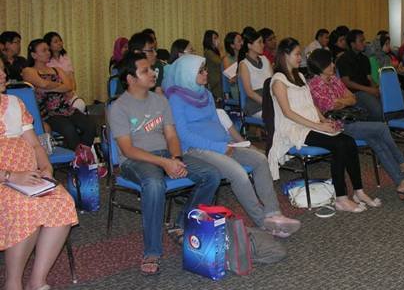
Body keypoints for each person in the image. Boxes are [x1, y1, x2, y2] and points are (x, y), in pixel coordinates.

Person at [108, 51, 221, 275]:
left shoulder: (160, 101)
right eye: (146, 71)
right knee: (154, 184)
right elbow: (128, 150)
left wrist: (176, 159)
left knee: (211, 175)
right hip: (135, 160)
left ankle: (182, 222)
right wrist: (164, 163)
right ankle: (152, 251)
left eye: (151, 69)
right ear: (130, 79)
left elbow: (171, 136)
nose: (153, 73)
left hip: (164, 155)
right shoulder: (119, 107)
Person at [164, 54, 301, 236]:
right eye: (201, 71)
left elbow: (215, 122)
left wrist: (230, 142)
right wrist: (220, 147)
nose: (206, 73)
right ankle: (263, 221)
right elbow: (184, 135)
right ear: (187, 74)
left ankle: (273, 213)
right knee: (238, 173)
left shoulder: (205, 94)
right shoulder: (176, 98)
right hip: (195, 150)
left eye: (205, 69)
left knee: (260, 160)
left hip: (221, 144)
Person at [0, 60, 78, 290]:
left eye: (2, 69)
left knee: (61, 201)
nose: (2, 74)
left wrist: (46, 167)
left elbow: (34, 145)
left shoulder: (14, 103)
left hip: (27, 176)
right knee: (25, 207)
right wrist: (11, 176)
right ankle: (12, 289)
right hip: (5, 179)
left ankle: (37, 282)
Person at [269, 38, 379, 212]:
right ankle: (341, 198)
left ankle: (359, 191)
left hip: (310, 124)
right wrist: (318, 126)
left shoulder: (299, 76)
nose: (300, 58)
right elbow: (287, 113)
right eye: (297, 54)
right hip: (294, 129)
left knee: (349, 141)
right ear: (285, 55)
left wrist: (323, 120)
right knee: (339, 144)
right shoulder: (278, 81)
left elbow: (310, 104)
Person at [307, 49, 404, 199]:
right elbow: (330, 106)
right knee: (382, 128)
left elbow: (353, 98)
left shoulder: (334, 79)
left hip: (350, 119)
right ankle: (402, 163)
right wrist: (344, 101)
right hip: (336, 126)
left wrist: (342, 101)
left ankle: (401, 184)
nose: (333, 65)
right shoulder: (314, 85)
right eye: (329, 63)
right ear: (320, 65)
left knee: (376, 140)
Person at [22, 39, 96, 150]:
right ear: (34, 55)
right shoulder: (28, 71)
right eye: (44, 50)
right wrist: (59, 86)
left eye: (48, 50)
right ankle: (75, 155)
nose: (48, 52)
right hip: (47, 112)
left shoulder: (57, 70)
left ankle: (84, 153)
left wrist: (47, 89)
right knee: (69, 129)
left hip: (66, 108)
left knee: (90, 125)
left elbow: (69, 86)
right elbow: (43, 83)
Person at [336, 29, 383, 120]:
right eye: (361, 41)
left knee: (393, 101)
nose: (364, 43)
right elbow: (346, 82)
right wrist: (369, 90)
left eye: (364, 40)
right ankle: (376, 126)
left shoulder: (364, 58)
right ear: (352, 44)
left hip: (367, 90)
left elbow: (369, 78)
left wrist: (376, 88)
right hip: (354, 92)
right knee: (378, 110)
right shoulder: (344, 59)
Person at [44, 32, 86, 113]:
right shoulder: (46, 61)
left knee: (80, 105)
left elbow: (72, 78)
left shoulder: (65, 58)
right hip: (55, 94)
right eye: (55, 42)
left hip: (69, 91)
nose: (59, 43)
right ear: (48, 45)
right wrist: (64, 92)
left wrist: (71, 91)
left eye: (60, 40)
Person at [237, 29, 273, 117]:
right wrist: (267, 103)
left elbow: (273, 82)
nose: (263, 45)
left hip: (270, 98)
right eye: (259, 42)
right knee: (277, 117)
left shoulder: (265, 60)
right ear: (249, 45)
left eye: (262, 42)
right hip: (256, 104)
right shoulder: (244, 64)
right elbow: (249, 92)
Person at [202, 30, 223, 100]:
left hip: (219, 78)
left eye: (217, 38)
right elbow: (220, 62)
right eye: (215, 38)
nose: (217, 40)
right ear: (209, 40)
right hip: (214, 80)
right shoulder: (208, 52)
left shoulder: (215, 51)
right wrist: (220, 50)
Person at [222, 31, 243, 101]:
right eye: (239, 41)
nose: (242, 43)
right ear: (232, 45)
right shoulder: (226, 59)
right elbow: (232, 80)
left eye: (242, 40)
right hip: (237, 88)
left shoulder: (244, 56)